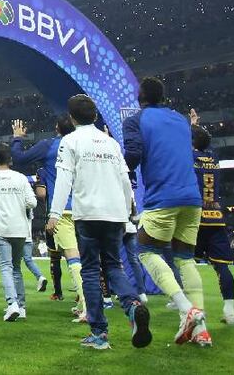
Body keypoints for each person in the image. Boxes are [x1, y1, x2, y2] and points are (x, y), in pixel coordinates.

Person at [48, 94, 150, 351]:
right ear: (95, 116)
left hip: (88, 214)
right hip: (115, 213)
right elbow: (125, 179)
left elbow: (63, 179)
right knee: (114, 266)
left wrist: (55, 213)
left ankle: (99, 333)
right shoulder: (110, 143)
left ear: (71, 118)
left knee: (91, 271)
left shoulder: (69, 141)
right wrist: (129, 212)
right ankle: (132, 305)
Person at [123, 77, 210, 346]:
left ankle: (187, 309)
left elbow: (134, 155)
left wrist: (119, 162)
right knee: (185, 259)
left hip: (163, 196)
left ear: (141, 96)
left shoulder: (135, 120)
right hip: (192, 197)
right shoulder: (180, 120)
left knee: (146, 250)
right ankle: (201, 331)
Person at [19, 116, 85, 317]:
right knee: (87, 257)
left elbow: (41, 194)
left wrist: (17, 138)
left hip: (61, 211)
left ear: (56, 128)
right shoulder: (83, 145)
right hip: (85, 209)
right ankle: (99, 298)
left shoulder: (51, 151)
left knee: (68, 257)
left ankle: (85, 304)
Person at [0, 144, 37, 321]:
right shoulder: (20, 178)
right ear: (10, 159)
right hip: (20, 228)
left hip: (1, 227)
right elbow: (32, 202)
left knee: (5, 267)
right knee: (17, 269)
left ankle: (11, 303)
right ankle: (21, 307)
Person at [190, 111, 234, 326]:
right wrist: (195, 127)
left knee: (185, 261)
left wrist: (191, 128)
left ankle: (188, 304)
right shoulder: (214, 157)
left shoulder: (190, 158)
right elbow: (204, 144)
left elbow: (190, 147)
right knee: (222, 266)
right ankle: (229, 310)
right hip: (216, 217)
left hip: (196, 218)